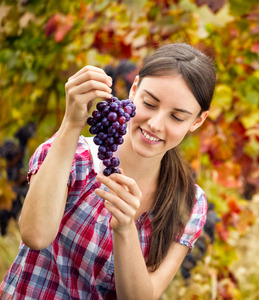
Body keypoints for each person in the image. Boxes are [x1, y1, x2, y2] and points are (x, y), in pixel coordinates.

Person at [0, 43, 216, 299]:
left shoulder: (188, 203)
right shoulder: (71, 156)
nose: (156, 124)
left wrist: (125, 230)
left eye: (177, 117)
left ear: (198, 121)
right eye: (149, 103)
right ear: (134, 89)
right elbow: (35, 236)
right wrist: (71, 123)